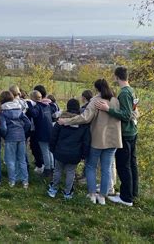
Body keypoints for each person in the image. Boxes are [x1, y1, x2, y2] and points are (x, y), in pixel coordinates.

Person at [58, 79, 122, 205]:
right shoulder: (116, 100)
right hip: (114, 139)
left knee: (91, 166)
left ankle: (92, 194)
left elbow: (85, 118)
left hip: (98, 139)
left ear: (96, 89)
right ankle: (103, 196)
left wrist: (66, 121)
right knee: (106, 168)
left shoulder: (95, 101)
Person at [95, 66, 139, 207]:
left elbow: (126, 115)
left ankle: (126, 198)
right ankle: (132, 192)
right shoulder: (132, 90)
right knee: (132, 164)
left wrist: (108, 109)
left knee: (123, 165)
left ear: (116, 77)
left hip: (125, 133)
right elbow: (133, 111)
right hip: (133, 131)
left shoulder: (124, 93)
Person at [48, 99, 90, 199]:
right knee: (71, 172)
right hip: (75, 153)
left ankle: (53, 189)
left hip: (60, 150)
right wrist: (84, 154)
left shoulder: (60, 121)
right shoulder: (83, 123)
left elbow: (53, 136)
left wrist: (52, 148)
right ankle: (67, 193)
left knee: (57, 171)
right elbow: (86, 141)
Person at [0, 91, 32, 189]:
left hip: (10, 137)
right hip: (21, 136)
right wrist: (23, 132)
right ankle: (25, 181)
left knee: (11, 160)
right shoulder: (19, 109)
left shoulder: (3, 112)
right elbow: (28, 123)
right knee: (22, 160)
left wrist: (4, 136)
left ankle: (12, 181)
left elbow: (3, 128)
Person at [27, 89, 54, 178]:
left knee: (45, 151)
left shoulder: (38, 106)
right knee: (50, 151)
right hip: (50, 131)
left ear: (33, 99)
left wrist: (29, 104)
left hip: (42, 132)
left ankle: (47, 170)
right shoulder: (47, 106)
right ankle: (52, 167)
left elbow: (34, 114)